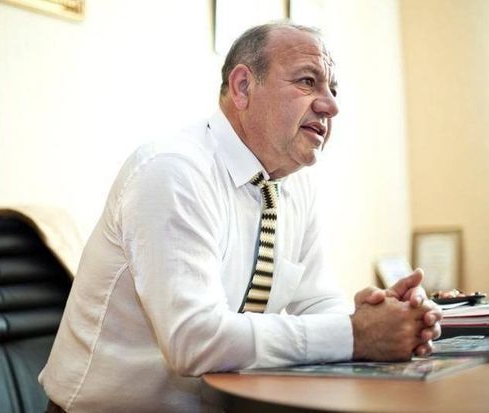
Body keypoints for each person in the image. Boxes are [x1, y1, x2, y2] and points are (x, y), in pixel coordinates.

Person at [39, 22, 441, 413]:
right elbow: (193, 340)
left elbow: (317, 301)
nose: (331, 105)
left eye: (332, 90)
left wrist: (377, 319)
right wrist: (354, 334)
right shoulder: (172, 171)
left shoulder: (293, 183)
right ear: (243, 86)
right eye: (308, 82)